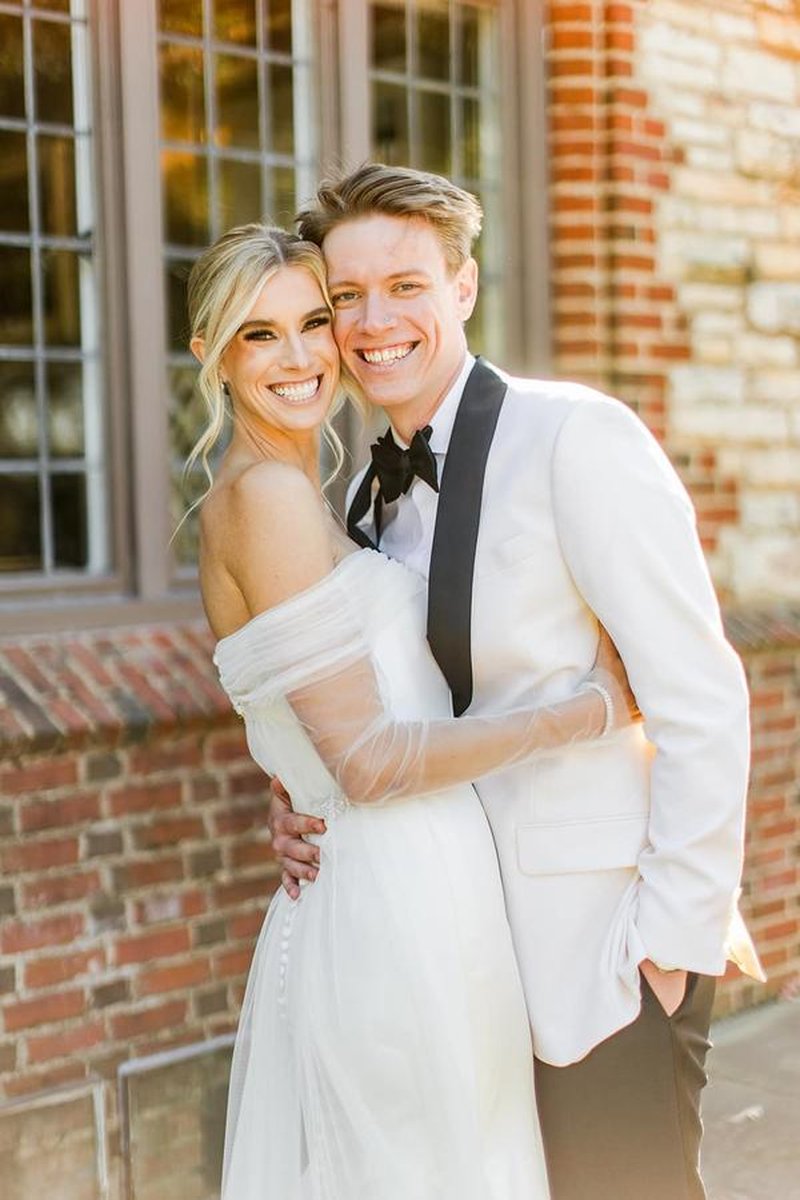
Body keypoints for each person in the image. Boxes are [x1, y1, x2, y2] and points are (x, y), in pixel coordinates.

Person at [269, 163, 765, 1200]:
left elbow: (698, 699)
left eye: (404, 285)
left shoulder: (573, 438)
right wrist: (302, 798)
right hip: (445, 965)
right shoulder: (362, 487)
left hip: (594, 962)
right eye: (344, 297)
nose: (372, 321)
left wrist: (665, 954)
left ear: (462, 287)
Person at [187, 222, 639, 1199]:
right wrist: (590, 711)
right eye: (259, 335)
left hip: (423, 894)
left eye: (314, 320)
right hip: (389, 914)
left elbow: (312, 727)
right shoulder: (263, 496)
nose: (303, 356)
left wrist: (291, 782)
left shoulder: (320, 499)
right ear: (211, 356)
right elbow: (368, 764)